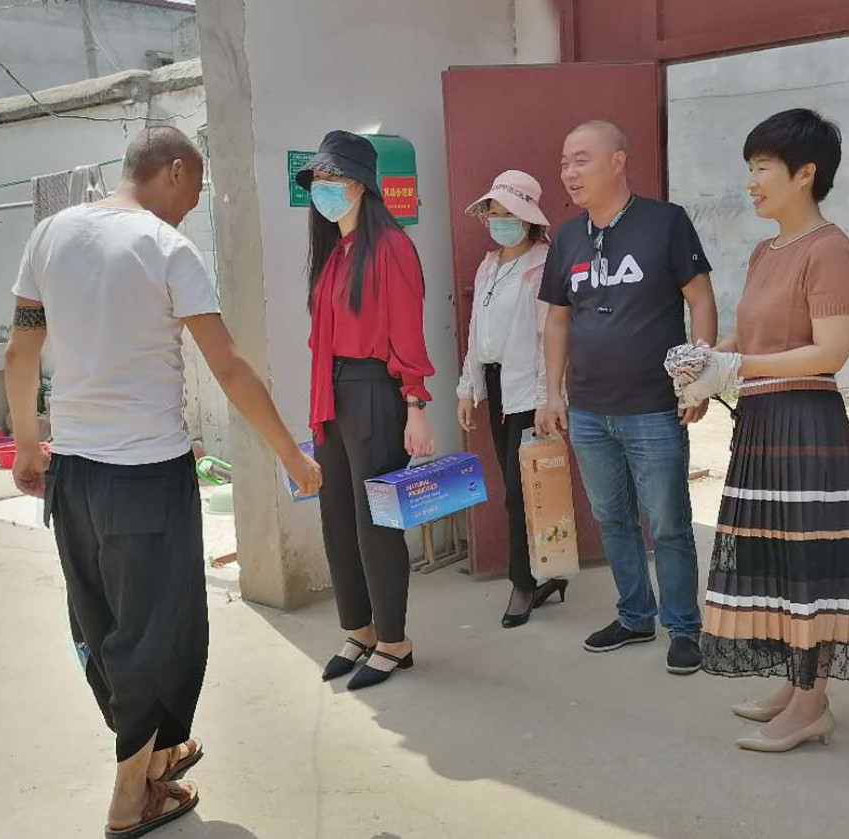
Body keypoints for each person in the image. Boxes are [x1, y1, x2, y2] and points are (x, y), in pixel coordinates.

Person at [4, 126, 321, 838]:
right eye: (196, 187)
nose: (194, 203)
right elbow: (227, 364)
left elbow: (22, 349)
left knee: (102, 624)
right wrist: (289, 453)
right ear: (174, 171)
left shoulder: (50, 235)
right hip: (146, 475)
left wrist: (27, 445)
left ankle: (155, 754)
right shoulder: (167, 247)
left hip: (74, 476)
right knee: (160, 634)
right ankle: (129, 797)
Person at [675, 109, 849, 751]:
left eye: (762, 167)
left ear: (805, 174)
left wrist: (737, 366)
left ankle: (812, 705)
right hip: (763, 422)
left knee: (810, 566)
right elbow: (747, 334)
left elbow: (830, 352)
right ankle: (796, 688)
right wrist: (704, 366)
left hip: (806, 423)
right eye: (750, 167)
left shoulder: (831, 251)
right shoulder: (764, 251)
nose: (751, 181)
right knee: (773, 557)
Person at [535, 120, 719, 675]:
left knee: (668, 524)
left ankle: (683, 626)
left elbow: (701, 301)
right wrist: (552, 393)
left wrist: (697, 377)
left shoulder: (665, 222)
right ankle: (635, 616)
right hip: (589, 410)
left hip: (653, 408)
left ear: (617, 161)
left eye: (582, 160)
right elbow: (557, 321)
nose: (569, 172)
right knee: (612, 519)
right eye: (564, 162)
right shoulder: (567, 238)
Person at [296, 130, 436, 691]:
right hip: (331, 395)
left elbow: (407, 332)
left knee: (375, 520)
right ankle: (359, 630)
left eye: (331, 178)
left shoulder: (391, 247)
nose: (322, 189)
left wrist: (415, 405)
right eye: (316, 180)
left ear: (359, 186)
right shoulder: (335, 253)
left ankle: (395, 642)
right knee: (337, 519)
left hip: (375, 389)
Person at [457, 170, 566, 628]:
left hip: (529, 389)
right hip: (497, 384)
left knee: (524, 493)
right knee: (513, 488)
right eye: (494, 214)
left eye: (509, 214)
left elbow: (548, 337)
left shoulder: (543, 265)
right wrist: (468, 388)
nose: (500, 222)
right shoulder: (489, 265)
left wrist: (546, 398)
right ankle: (544, 573)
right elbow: (476, 331)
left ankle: (525, 581)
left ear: (528, 218)